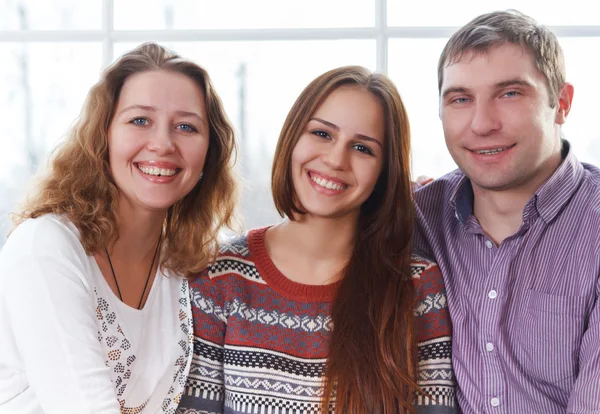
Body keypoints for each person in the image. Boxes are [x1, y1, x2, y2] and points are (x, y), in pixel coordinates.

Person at [177, 66, 456, 414]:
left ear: (385, 171)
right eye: (322, 134)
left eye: (362, 148)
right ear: (293, 138)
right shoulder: (219, 276)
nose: (336, 159)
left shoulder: (417, 285)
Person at [0, 42, 238, 413]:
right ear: (104, 136)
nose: (162, 144)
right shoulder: (45, 247)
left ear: (209, 153)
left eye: (186, 127)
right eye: (140, 120)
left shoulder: (186, 263)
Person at [413, 10, 600, 414]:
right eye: (460, 99)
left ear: (561, 103)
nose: (481, 124)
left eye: (509, 93)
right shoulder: (417, 219)